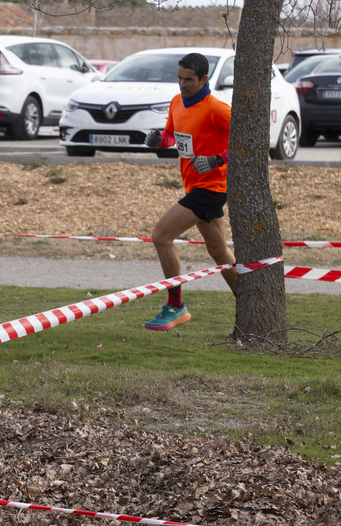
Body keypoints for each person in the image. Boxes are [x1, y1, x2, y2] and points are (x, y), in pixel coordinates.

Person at [143, 51, 237, 331]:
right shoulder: (176, 102)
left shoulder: (216, 109)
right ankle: (250, 307)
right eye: (179, 79)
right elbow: (173, 135)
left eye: (189, 80)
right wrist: (160, 140)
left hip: (212, 187)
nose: (182, 85)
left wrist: (218, 159)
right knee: (219, 252)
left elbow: (248, 141)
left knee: (161, 236)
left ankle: (175, 305)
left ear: (204, 79)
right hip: (194, 184)